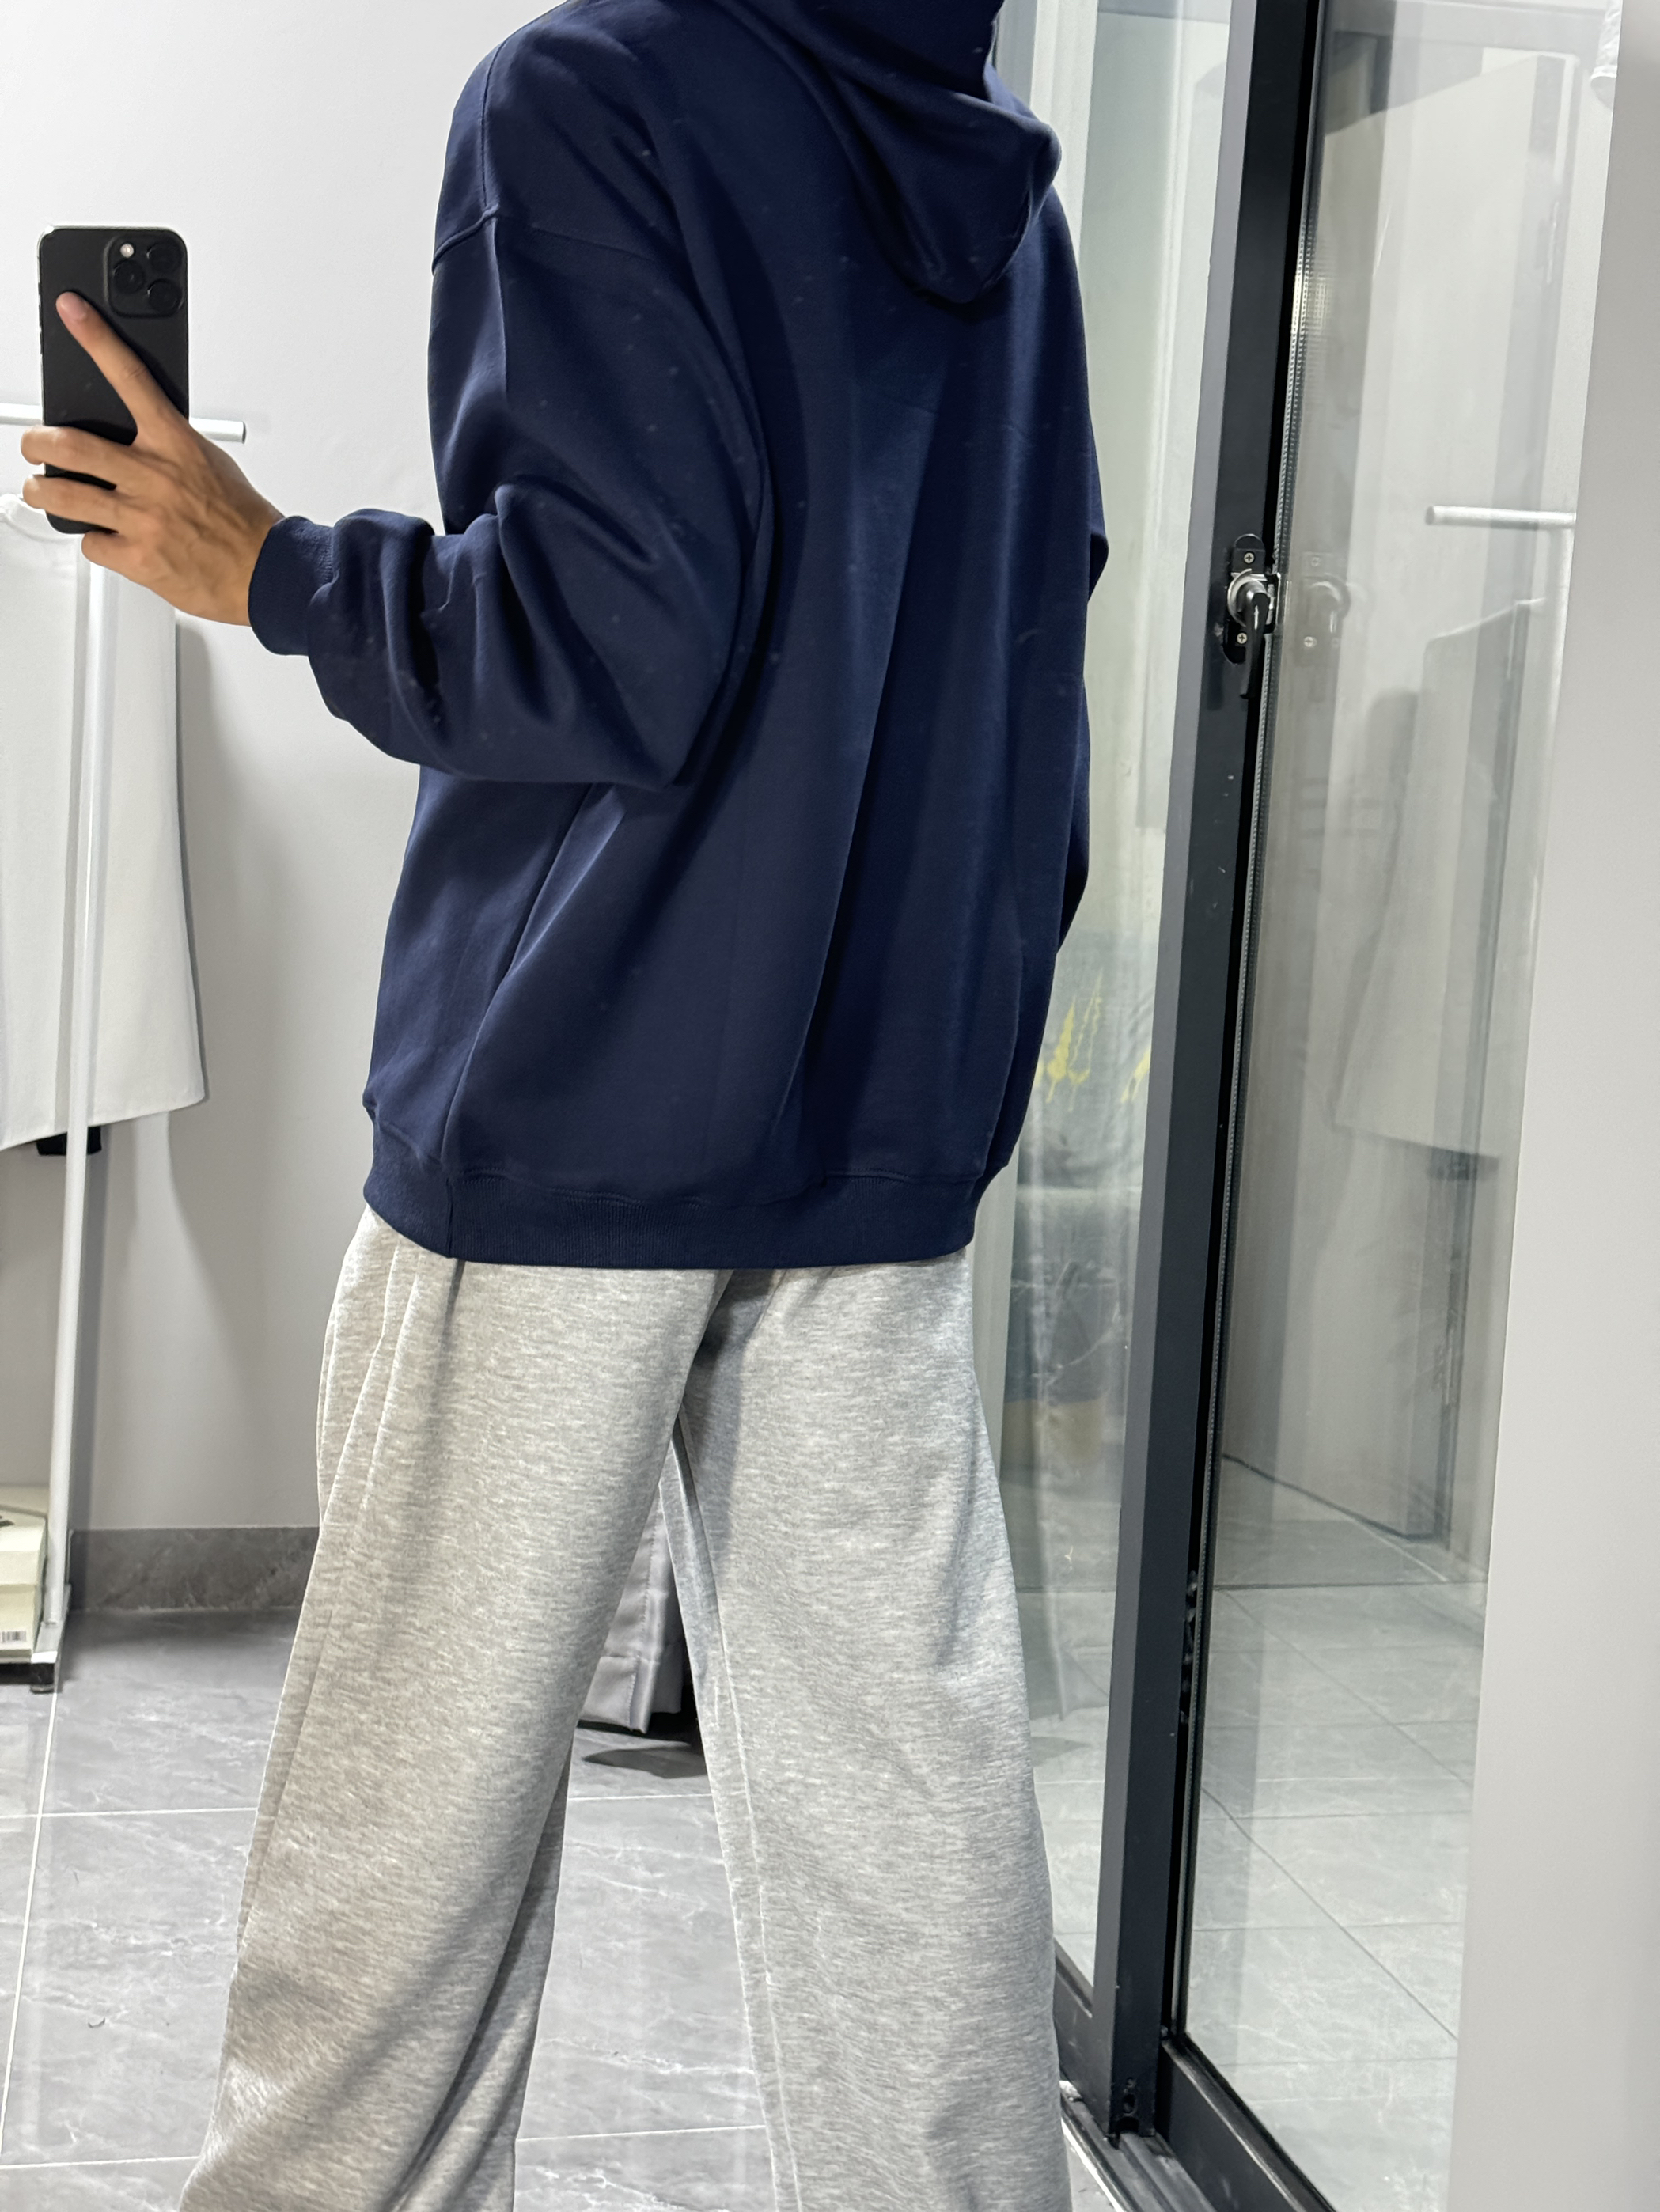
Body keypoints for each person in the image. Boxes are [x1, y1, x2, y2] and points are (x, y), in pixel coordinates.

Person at [23, 1, 1102, 2204]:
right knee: (902, 1820)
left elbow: (611, 637)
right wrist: (952, 1029)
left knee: (403, 1844)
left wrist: (273, 568)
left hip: (573, 1097)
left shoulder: (587, 94)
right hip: (879, 1123)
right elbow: (1033, 631)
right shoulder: (994, 162)